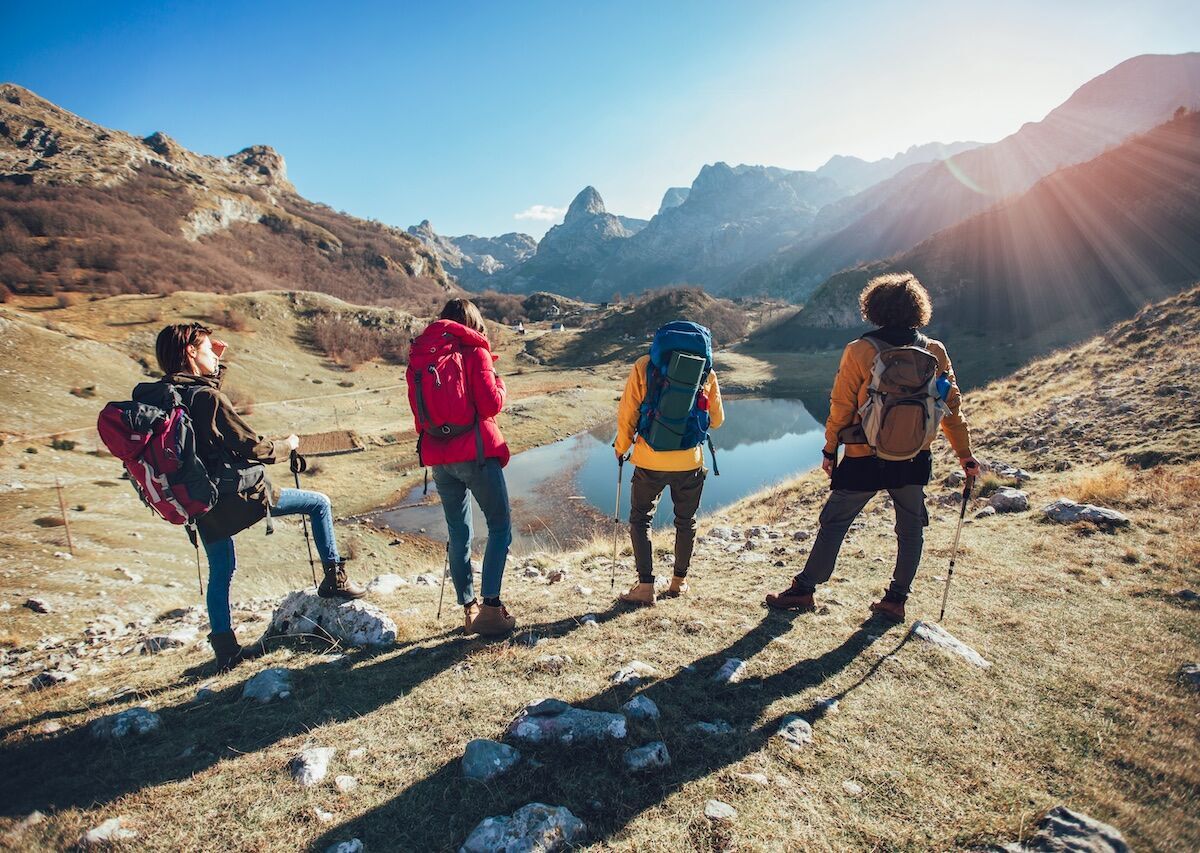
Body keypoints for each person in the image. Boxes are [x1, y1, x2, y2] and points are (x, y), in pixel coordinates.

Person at [134, 322, 365, 672]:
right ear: (191, 353)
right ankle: (335, 580)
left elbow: (201, 401)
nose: (215, 354)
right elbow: (251, 445)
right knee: (319, 503)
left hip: (199, 502)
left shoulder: (160, 397)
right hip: (239, 495)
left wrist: (215, 363)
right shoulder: (208, 398)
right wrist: (287, 445)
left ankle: (226, 650)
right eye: (209, 349)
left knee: (221, 571)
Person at [765, 273, 978, 622]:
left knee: (834, 522)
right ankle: (896, 600)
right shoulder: (934, 351)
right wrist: (965, 455)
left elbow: (841, 406)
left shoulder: (860, 350)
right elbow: (951, 408)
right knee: (910, 529)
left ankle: (804, 591)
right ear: (919, 309)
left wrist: (830, 449)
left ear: (874, 308)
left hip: (865, 456)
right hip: (913, 457)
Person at [407, 299, 515, 636]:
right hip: (477, 454)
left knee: (458, 533)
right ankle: (491, 609)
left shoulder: (421, 356)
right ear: (473, 321)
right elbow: (490, 404)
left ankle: (469, 609)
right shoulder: (474, 351)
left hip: (440, 459)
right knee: (500, 527)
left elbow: (418, 413)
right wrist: (500, 384)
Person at [614, 323, 724, 606]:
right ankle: (678, 582)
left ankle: (645, 586)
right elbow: (718, 419)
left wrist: (621, 448)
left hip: (649, 458)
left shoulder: (644, 365)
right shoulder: (706, 371)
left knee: (641, 519)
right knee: (685, 521)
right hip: (690, 461)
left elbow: (628, 413)